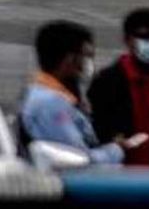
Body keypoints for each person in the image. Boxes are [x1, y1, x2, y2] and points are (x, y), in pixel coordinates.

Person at [19, 21, 134, 164]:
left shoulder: (43, 93)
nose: (89, 64)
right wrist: (116, 150)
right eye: (86, 57)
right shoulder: (51, 104)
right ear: (69, 59)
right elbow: (79, 158)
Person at [88, 8, 149, 167]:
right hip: (116, 173)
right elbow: (94, 127)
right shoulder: (108, 80)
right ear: (128, 40)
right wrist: (113, 141)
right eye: (146, 38)